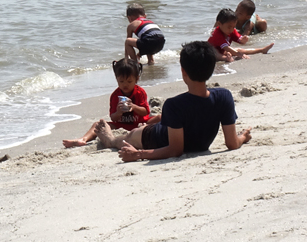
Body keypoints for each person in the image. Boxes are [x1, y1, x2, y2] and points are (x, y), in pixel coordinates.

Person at [95, 40, 252, 162]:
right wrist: (243, 137)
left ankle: (110, 141)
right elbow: (232, 144)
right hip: (184, 137)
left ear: (183, 72)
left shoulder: (174, 104)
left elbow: (175, 150)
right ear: (211, 69)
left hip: (153, 138)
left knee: (129, 137)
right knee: (157, 122)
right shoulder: (224, 96)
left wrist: (138, 155)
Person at [63, 59, 152, 148]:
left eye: (129, 81)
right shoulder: (115, 95)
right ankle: (83, 139)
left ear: (136, 79)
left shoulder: (140, 92)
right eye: (121, 81)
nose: (125, 85)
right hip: (122, 125)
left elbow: (145, 112)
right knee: (98, 125)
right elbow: (113, 118)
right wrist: (118, 112)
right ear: (116, 79)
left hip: (140, 123)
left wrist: (134, 106)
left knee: (159, 118)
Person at [208, 8, 274, 62]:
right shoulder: (217, 33)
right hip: (209, 51)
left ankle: (261, 50)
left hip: (222, 51)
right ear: (219, 24)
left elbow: (239, 40)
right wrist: (238, 54)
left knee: (239, 49)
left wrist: (243, 40)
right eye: (229, 27)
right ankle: (225, 58)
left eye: (233, 27)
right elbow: (226, 47)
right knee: (214, 52)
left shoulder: (231, 30)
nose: (231, 29)